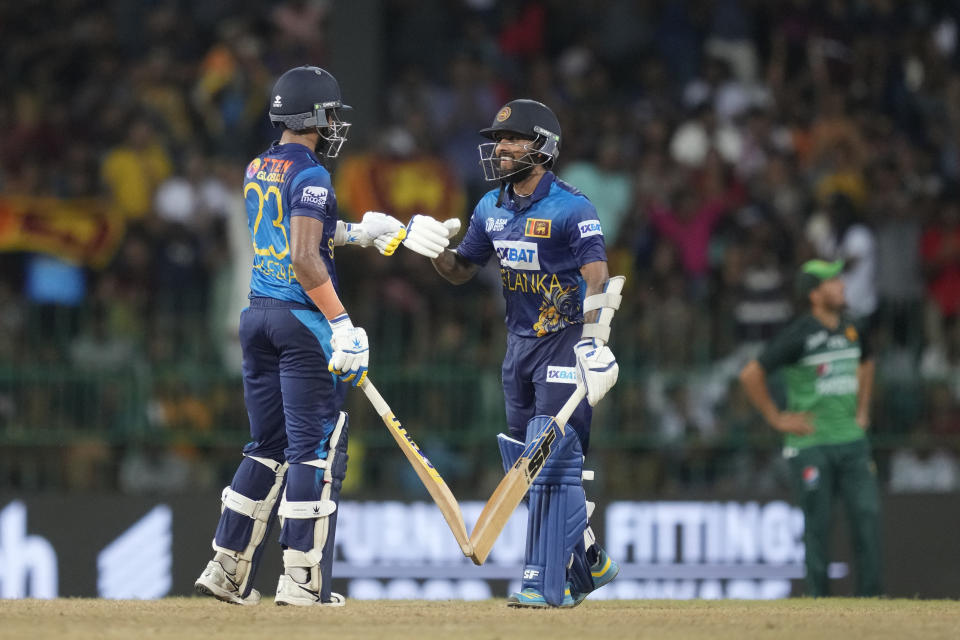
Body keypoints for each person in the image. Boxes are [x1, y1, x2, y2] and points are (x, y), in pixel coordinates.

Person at [193, 65, 456, 607]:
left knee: (265, 447)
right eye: (331, 115)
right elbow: (305, 256)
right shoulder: (311, 174)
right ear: (313, 116)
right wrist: (341, 324)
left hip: (258, 317)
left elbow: (294, 232)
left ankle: (226, 568)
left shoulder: (258, 166)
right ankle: (303, 582)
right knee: (314, 450)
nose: (336, 125)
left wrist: (358, 233)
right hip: (302, 324)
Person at [424, 99, 622, 607]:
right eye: (498, 140)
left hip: (564, 345)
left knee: (548, 459)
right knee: (523, 466)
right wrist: (429, 250)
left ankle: (541, 581)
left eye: (513, 139)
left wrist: (595, 345)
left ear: (543, 147)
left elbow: (597, 276)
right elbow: (464, 268)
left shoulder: (573, 207)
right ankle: (592, 562)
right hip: (517, 351)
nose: (502, 148)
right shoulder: (490, 207)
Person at [739, 259, 882, 597]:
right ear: (815, 295)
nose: (843, 286)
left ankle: (875, 602)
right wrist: (776, 418)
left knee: (868, 520)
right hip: (811, 445)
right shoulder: (799, 334)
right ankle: (819, 604)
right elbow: (750, 375)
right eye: (833, 282)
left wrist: (863, 410)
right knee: (817, 528)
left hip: (852, 442)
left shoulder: (854, 328)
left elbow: (868, 361)